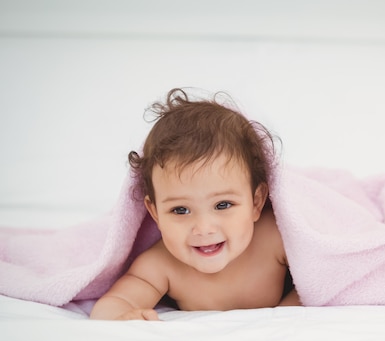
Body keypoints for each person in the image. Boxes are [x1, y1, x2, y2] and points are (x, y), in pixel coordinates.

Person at [90, 89, 300, 320]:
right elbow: (115, 303)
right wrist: (123, 317)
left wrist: (284, 315)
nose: (204, 228)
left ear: (256, 202)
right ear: (155, 212)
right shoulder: (161, 265)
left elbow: (318, 280)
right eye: (180, 210)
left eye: (222, 205)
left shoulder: (275, 238)